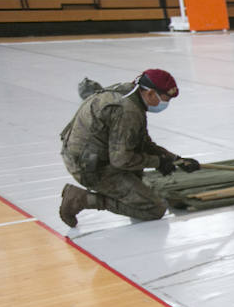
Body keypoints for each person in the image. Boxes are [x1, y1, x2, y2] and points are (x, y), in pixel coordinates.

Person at [58, 68, 199, 227]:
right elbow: (121, 159)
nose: (165, 104)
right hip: (89, 168)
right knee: (155, 208)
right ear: (151, 93)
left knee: (138, 169)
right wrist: (158, 162)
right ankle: (81, 199)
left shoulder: (129, 93)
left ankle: (131, 190)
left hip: (87, 154)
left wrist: (174, 159)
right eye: (165, 99)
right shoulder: (128, 111)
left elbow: (142, 142)